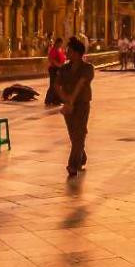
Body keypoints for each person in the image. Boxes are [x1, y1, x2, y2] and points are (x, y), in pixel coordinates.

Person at [57, 37, 95, 178]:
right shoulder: (64, 68)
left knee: (79, 133)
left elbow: (81, 84)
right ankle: (81, 157)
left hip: (81, 104)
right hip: (68, 104)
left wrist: (71, 101)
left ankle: (72, 165)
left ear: (78, 53)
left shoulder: (87, 68)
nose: (67, 52)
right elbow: (57, 85)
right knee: (74, 135)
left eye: (70, 51)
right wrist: (65, 99)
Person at [45, 37, 66, 106]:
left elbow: (63, 58)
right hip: (54, 69)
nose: (61, 44)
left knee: (57, 85)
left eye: (61, 43)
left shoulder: (60, 50)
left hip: (59, 68)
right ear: (57, 43)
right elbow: (51, 59)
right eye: (60, 43)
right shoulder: (53, 50)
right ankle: (49, 99)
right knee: (53, 84)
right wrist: (58, 65)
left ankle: (56, 99)